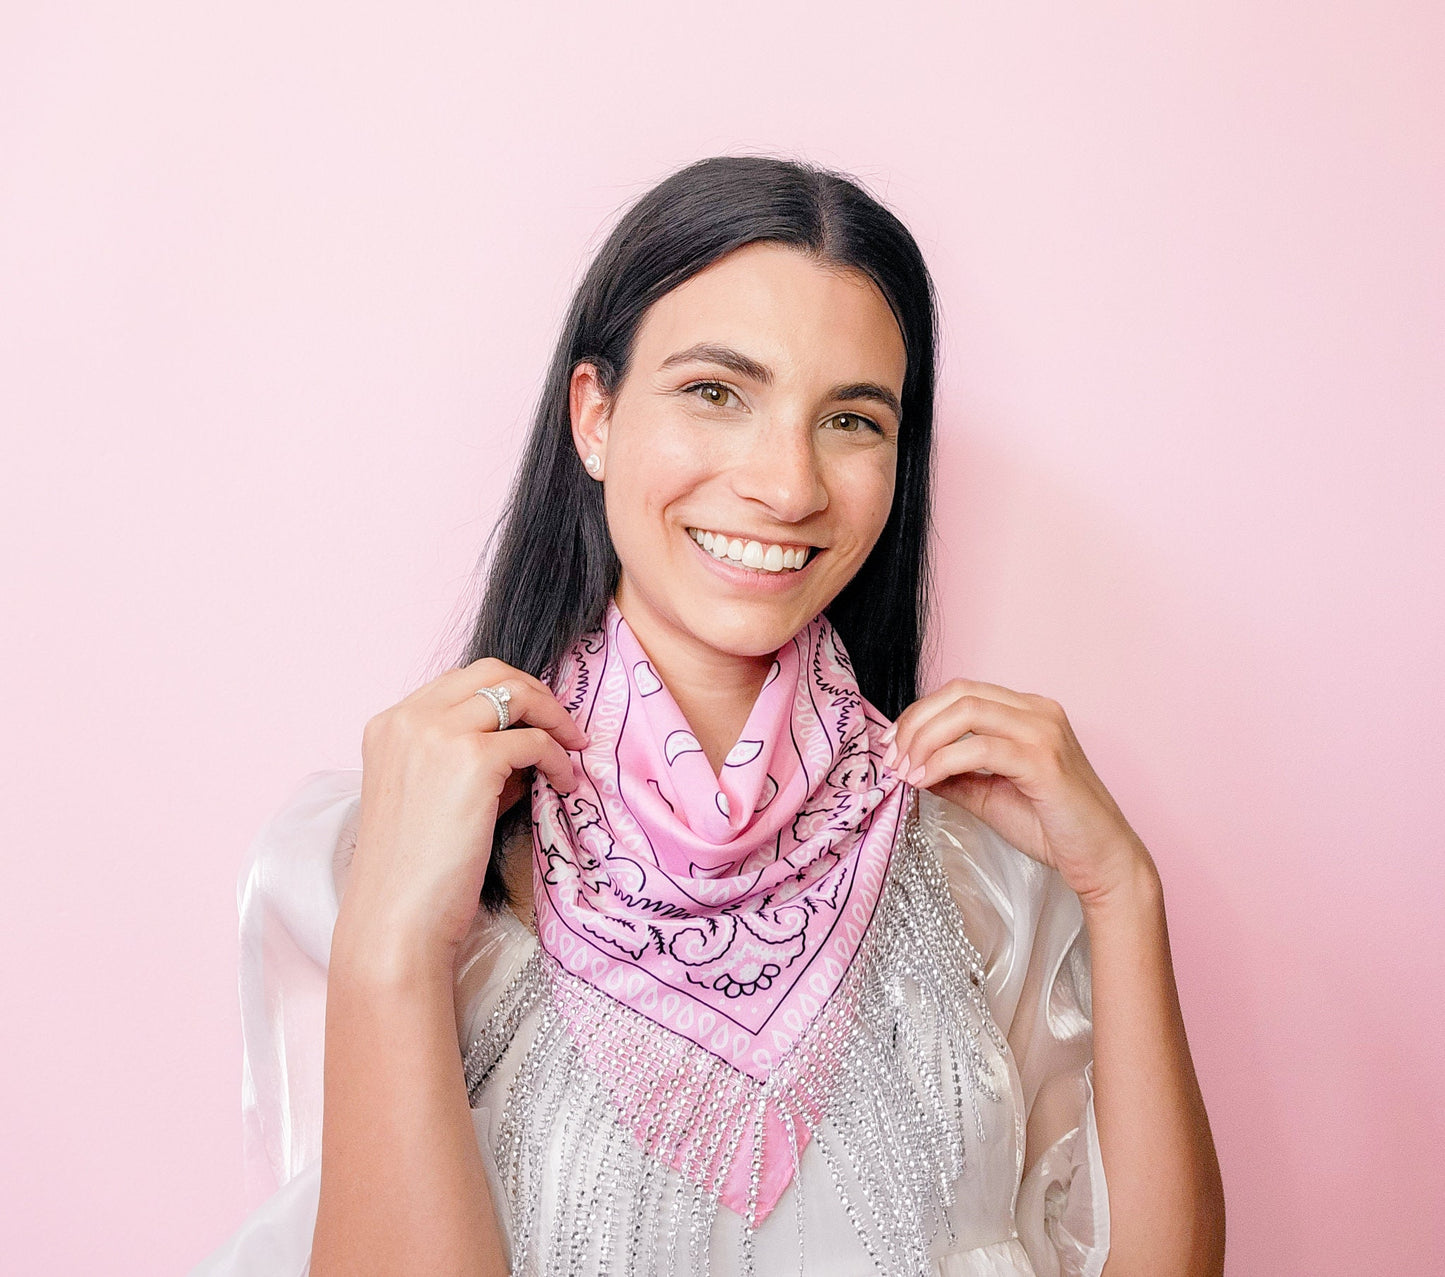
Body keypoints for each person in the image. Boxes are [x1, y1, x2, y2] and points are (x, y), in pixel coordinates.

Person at [193, 155, 1225, 1277]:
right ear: (593, 415)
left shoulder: (984, 862)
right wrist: (392, 938)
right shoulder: (395, 850)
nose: (787, 484)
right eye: (715, 391)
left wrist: (1123, 890)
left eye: (850, 418)